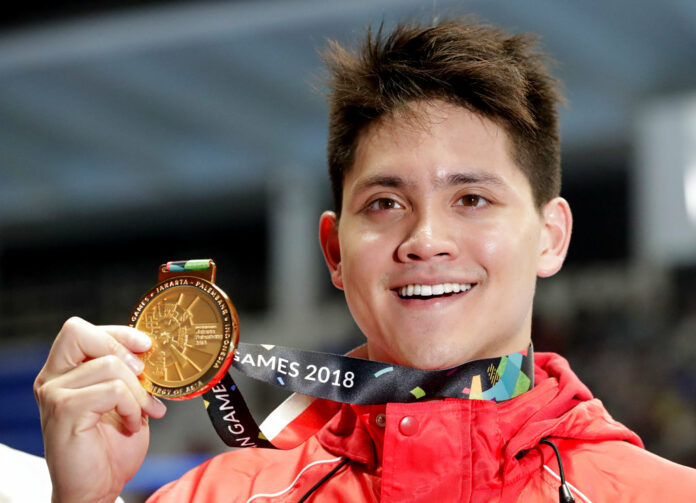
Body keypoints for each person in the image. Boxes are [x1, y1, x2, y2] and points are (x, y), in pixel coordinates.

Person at [34, 18, 696, 503]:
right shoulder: (219, 496)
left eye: (471, 197)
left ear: (550, 236)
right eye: (385, 203)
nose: (425, 238)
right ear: (334, 251)